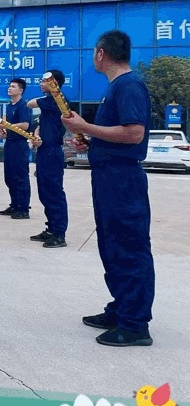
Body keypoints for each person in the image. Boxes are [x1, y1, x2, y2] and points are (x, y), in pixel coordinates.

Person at [63, 30, 155, 347]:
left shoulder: (129, 85)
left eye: (94, 52)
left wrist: (84, 126)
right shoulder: (116, 88)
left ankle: (135, 324)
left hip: (122, 180)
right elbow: (116, 135)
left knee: (128, 245)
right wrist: (90, 141)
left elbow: (134, 133)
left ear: (101, 53)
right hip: (108, 176)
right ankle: (121, 308)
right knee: (112, 244)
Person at [26, 69, 69, 248]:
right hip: (44, 151)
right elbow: (40, 125)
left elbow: (30, 103)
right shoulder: (48, 103)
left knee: (54, 192)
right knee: (44, 192)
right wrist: (36, 136)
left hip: (53, 152)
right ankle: (51, 228)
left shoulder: (56, 101)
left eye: (44, 81)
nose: (41, 84)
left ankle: (59, 233)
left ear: (54, 83)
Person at [0, 77, 32, 220]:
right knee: (9, 176)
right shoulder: (10, 106)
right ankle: (14, 204)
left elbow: (25, 125)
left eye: (13, 86)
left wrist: (6, 126)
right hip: (9, 143)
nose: (9, 88)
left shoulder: (23, 105)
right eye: (9, 86)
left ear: (21, 90)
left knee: (20, 177)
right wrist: (4, 131)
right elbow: (9, 128)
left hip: (19, 145)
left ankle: (23, 209)